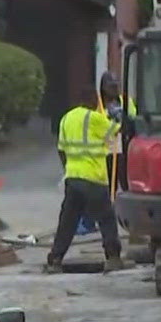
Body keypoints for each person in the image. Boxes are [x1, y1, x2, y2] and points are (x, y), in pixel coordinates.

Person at [46, 87, 125, 273]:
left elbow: (61, 149)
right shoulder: (94, 119)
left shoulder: (66, 119)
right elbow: (116, 129)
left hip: (73, 178)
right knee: (106, 219)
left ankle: (55, 259)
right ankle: (113, 258)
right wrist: (116, 115)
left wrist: (69, 170)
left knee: (68, 221)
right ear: (92, 101)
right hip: (94, 179)